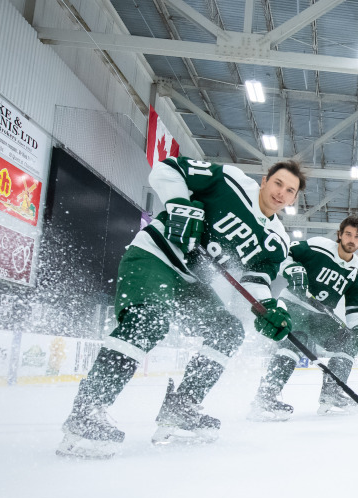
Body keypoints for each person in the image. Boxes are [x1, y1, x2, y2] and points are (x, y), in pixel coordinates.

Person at [56, 156, 304, 458]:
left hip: (190, 282)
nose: (281, 193)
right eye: (278, 183)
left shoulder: (277, 240)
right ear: (265, 180)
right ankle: (87, 411)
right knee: (149, 319)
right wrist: (179, 204)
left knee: (228, 330)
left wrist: (267, 307)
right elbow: (167, 168)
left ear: (294, 198)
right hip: (155, 256)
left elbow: (256, 277)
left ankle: (182, 405)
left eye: (290, 190)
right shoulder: (230, 180)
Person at [248, 216, 358, 420]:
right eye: (348, 234)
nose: (351, 239)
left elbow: (357, 306)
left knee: (349, 341)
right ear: (339, 235)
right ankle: (265, 396)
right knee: (297, 342)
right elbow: (284, 253)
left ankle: (331, 392)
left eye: (357, 237)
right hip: (294, 306)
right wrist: (292, 268)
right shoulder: (319, 246)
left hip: (321, 318)